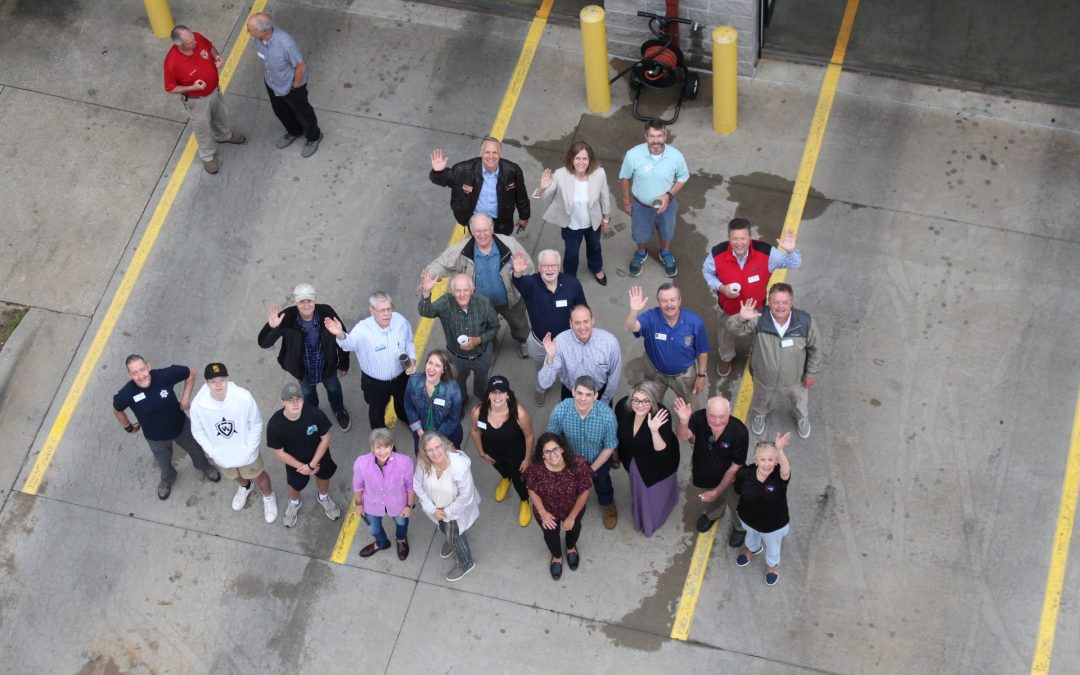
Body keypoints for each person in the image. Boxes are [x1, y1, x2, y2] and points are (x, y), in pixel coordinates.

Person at [111, 355, 221, 500]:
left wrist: (185, 399)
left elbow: (191, 372)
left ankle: (204, 466)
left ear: (148, 367)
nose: (140, 376)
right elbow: (117, 410)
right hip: (155, 438)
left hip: (181, 427)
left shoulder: (164, 376)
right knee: (163, 461)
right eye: (134, 373)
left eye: (142, 370)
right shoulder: (126, 394)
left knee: (196, 449)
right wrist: (129, 427)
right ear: (129, 374)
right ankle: (167, 479)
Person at [703, 218, 802, 376]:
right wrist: (721, 287)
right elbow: (707, 272)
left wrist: (791, 251)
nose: (739, 243)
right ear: (729, 238)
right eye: (735, 238)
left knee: (760, 337)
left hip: (756, 310)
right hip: (727, 308)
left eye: (743, 238)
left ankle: (757, 356)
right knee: (725, 334)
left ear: (750, 237)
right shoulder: (717, 253)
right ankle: (726, 357)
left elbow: (794, 264)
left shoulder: (766, 253)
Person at [426, 213, 533, 358]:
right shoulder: (462, 250)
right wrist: (429, 276)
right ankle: (489, 345)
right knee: (484, 328)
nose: (482, 235)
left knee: (519, 322)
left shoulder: (510, 244)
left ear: (492, 228)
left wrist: (524, 277)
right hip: (481, 305)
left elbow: (529, 269)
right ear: (471, 231)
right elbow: (441, 264)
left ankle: (523, 340)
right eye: (478, 231)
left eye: (485, 230)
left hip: (510, 299)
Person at [728, 284, 822, 439]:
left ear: (791, 302)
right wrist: (740, 318)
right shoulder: (758, 318)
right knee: (761, 399)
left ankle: (801, 417)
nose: (780, 306)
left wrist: (811, 373)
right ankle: (760, 414)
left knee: (799, 401)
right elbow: (732, 328)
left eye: (785, 302)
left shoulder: (806, 322)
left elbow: (816, 349)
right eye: (776, 302)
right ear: (769, 302)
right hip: (763, 378)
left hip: (796, 379)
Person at [189, 362, 278, 523]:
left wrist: (250, 448)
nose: (218, 385)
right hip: (222, 454)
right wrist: (213, 451)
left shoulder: (243, 397)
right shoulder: (198, 405)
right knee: (234, 475)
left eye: (222, 380)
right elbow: (197, 431)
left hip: (246, 452)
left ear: (228, 379)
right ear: (206, 383)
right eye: (213, 381)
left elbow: (256, 423)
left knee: (259, 476)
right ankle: (245, 487)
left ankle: (268, 496)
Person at [257, 282, 352, 431]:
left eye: (309, 301)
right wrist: (273, 327)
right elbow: (264, 343)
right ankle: (313, 414)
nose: (306, 305)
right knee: (308, 393)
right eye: (302, 301)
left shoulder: (326, 312)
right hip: (303, 369)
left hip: (327, 365)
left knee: (334, 388)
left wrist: (344, 363)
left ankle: (339, 410)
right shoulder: (287, 317)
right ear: (296, 302)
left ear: (315, 301)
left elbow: (342, 336)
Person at [325, 291, 416, 430]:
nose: (387, 314)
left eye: (389, 309)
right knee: (377, 412)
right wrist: (341, 334)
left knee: (404, 402)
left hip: (401, 377)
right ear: (372, 311)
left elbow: (409, 341)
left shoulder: (400, 321)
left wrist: (412, 358)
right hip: (375, 384)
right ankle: (381, 441)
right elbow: (349, 344)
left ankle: (404, 416)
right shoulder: (362, 329)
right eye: (382, 310)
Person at [162, 25, 245, 174]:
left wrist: (216, 57)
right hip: (197, 100)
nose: (195, 43)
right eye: (190, 43)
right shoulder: (172, 63)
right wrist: (192, 88)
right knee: (203, 129)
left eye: (193, 39)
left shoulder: (197, 38)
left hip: (215, 90)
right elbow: (170, 88)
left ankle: (223, 135)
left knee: (220, 116)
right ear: (179, 45)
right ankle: (207, 157)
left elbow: (209, 47)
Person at [510, 249, 587, 405]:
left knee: (570, 368)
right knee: (541, 368)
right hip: (539, 343)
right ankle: (541, 389)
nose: (550, 269)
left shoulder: (572, 284)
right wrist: (517, 273)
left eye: (553, 265)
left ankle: (573, 390)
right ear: (539, 268)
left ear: (559, 267)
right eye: (546, 266)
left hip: (568, 343)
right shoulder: (530, 284)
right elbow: (517, 280)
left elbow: (582, 309)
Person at [531, 140, 611, 284]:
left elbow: (605, 196)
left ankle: (596, 268)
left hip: (593, 223)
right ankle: (570, 276)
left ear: (590, 159)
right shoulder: (561, 175)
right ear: (571, 159)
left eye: (585, 158)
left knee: (595, 247)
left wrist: (605, 219)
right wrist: (542, 187)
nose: (581, 162)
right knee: (571, 253)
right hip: (571, 225)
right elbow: (545, 193)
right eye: (577, 158)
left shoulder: (599, 173)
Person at [618, 119, 690, 278]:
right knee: (640, 234)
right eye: (652, 136)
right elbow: (624, 177)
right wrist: (626, 202)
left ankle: (665, 252)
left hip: (667, 206)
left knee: (666, 232)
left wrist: (668, 195)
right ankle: (641, 253)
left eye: (659, 135)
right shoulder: (633, 155)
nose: (656, 140)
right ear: (646, 136)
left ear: (665, 136)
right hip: (641, 206)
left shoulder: (676, 156)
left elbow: (683, 177)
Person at [674, 395, 749, 547]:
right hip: (703, 473)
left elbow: (735, 467)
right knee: (710, 501)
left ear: (729, 413)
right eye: (712, 416)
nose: (716, 421)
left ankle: (740, 527)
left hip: (732, 480)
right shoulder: (699, 418)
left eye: (722, 417)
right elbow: (682, 436)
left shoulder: (739, 432)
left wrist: (718, 490)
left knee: (736, 505)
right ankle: (714, 514)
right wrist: (683, 421)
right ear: (706, 412)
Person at [546, 376, 619, 529]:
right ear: (573, 392)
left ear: (596, 395)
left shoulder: (607, 416)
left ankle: (607, 503)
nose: (583, 399)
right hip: (570, 459)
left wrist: (590, 470)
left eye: (588, 394)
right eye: (579, 393)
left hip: (597, 458)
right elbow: (552, 439)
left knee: (602, 482)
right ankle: (574, 504)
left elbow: (610, 446)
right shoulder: (560, 411)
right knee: (571, 485)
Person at [418, 272, 500, 407]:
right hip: (456, 357)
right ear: (452, 291)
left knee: (482, 380)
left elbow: (495, 327)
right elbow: (426, 312)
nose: (462, 294)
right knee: (457, 381)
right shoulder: (446, 303)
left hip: (482, 354)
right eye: (458, 291)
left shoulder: (483, 304)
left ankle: (481, 396)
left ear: (472, 290)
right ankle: (461, 401)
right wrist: (426, 293)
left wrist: (479, 340)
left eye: (466, 290)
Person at [246, 12, 321, 157]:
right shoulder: (258, 39)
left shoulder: (286, 43)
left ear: (263, 31)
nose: (248, 32)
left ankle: (314, 137)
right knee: (280, 110)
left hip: (291, 86)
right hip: (272, 82)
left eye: (250, 30)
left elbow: (300, 65)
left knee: (303, 113)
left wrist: (296, 85)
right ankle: (294, 131)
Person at [266, 382, 341, 528]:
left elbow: (326, 439)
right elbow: (279, 453)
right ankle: (294, 504)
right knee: (295, 484)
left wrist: (312, 465)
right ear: (283, 402)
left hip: (319, 457)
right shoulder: (275, 425)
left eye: (298, 399)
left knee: (324, 476)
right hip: (295, 462)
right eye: (290, 400)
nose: (295, 403)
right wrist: (303, 467)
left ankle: (323, 497)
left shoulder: (314, 414)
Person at [624, 283, 709, 407]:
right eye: (664, 301)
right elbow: (630, 326)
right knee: (652, 405)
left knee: (691, 407)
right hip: (655, 374)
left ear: (680, 300)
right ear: (659, 303)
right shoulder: (651, 317)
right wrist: (634, 311)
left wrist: (701, 376)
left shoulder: (694, 322)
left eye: (673, 300)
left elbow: (702, 351)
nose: (669, 305)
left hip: (685, 377)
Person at [523, 433, 593, 580]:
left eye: (555, 449)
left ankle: (570, 547)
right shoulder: (536, 469)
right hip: (547, 510)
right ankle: (556, 556)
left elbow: (584, 492)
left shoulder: (578, 465)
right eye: (547, 451)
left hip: (573, 509)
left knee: (574, 529)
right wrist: (542, 512)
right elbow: (531, 489)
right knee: (550, 535)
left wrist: (572, 517)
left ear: (562, 449)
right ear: (542, 455)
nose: (552, 454)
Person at [613, 382, 680, 537]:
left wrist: (654, 431)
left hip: (657, 466)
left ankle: (652, 521)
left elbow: (661, 451)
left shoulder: (662, 414)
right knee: (639, 491)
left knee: (654, 495)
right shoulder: (622, 407)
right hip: (633, 461)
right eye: (636, 400)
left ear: (653, 401)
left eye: (646, 401)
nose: (640, 405)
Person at [413, 431, 480, 582]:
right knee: (444, 529)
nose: (435, 453)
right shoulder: (423, 463)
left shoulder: (459, 466)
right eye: (430, 450)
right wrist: (432, 510)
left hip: (454, 512)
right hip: (436, 510)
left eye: (438, 447)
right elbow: (417, 485)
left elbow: (465, 496)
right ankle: (452, 542)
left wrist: (446, 513)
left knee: (454, 537)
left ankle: (466, 563)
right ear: (425, 452)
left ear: (444, 445)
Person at [429, 136, 530, 236]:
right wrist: (438, 172)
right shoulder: (463, 170)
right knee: (480, 247)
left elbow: (521, 196)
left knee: (502, 247)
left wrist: (524, 217)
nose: (491, 156)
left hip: (502, 222)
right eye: (487, 152)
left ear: (500, 154)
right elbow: (444, 180)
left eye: (495, 152)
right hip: (476, 222)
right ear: (481, 153)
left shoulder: (513, 171)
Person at [469, 376, 534, 528]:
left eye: (501, 392)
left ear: (508, 394)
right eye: (494, 392)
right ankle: (506, 478)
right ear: (488, 394)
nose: (497, 396)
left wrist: (527, 459)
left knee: (519, 480)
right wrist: (481, 452)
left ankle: (524, 500)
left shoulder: (519, 414)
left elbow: (529, 436)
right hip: (492, 450)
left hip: (515, 453)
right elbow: (474, 430)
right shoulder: (478, 411)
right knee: (501, 468)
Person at [734, 433, 792, 586]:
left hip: (773, 525)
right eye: (763, 459)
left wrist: (779, 450)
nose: (767, 464)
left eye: (771, 459)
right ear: (756, 460)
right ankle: (753, 549)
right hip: (748, 518)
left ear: (776, 461)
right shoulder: (745, 473)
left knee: (773, 547)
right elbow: (739, 490)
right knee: (751, 536)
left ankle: (773, 565)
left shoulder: (779, 477)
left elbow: (786, 472)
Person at [538, 305, 621, 406]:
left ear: (592, 320)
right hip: (571, 394)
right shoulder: (559, 343)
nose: (582, 327)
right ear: (570, 324)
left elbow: (614, 376)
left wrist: (604, 402)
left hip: (599, 394)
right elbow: (544, 383)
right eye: (577, 323)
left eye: (586, 321)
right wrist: (550, 357)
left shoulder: (610, 343)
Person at [352, 428, 416, 560]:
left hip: (398, 503)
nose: (382, 451)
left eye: (386, 446)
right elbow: (358, 486)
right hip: (371, 504)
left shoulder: (405, 462)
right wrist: (358, 504)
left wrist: (409, 506)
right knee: (373, 529)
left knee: (402, 524)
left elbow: (411, 487)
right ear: (372, 448)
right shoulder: (361, 463)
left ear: (392, 445)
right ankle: (381, 543)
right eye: (378, 447)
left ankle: (401, 540)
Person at [404, 350, 464, 453]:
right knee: (422, 457)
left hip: (447, 434)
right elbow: (409, 406)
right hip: (421, 433)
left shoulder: (453, 389)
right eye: (430, 363)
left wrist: (435, 438)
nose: (432, 368)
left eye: (437, 365)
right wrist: (418, 429)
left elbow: (454, 418)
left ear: (443, 370)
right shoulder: (414, 381)